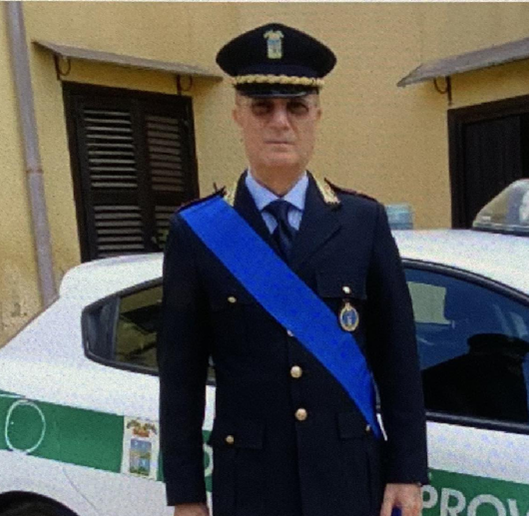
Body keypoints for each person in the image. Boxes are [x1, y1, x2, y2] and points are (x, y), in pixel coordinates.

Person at [157, 22, 428, 516]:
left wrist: (406, 471)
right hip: (252, 483)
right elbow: (181, 378)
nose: (280, 122)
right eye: (263, 107)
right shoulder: (196, 232)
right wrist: (187, 497)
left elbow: (398, 357)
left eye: (296, 107)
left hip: (349, 476)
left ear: (316, 116)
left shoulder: (362, 222)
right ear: (238, 116)